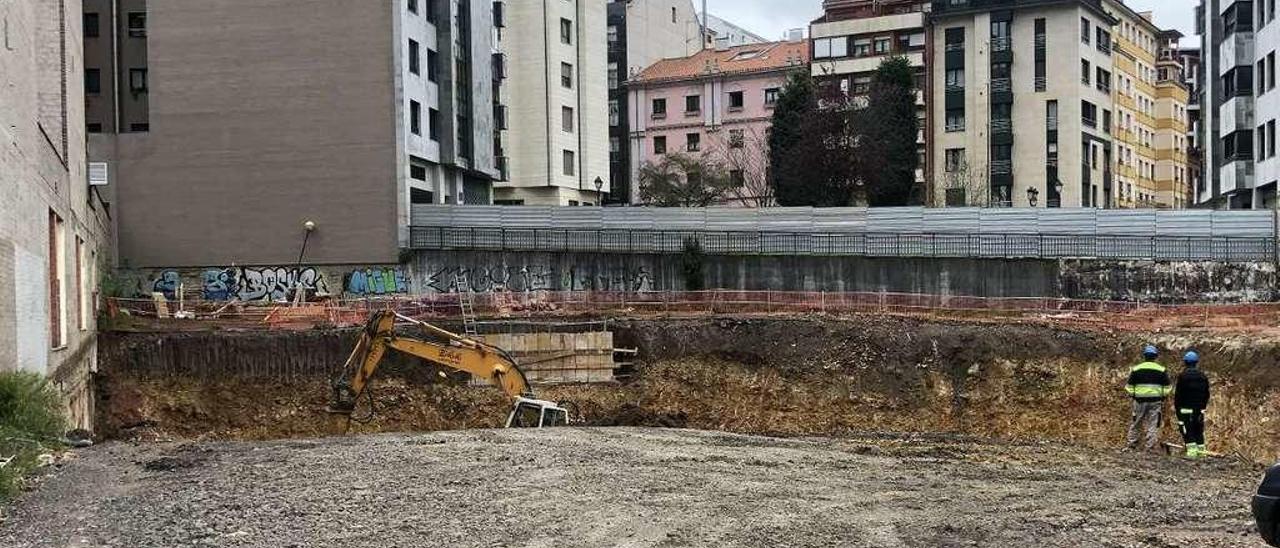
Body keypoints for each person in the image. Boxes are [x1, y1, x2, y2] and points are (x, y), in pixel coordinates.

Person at [1125, 345, 1171, 452]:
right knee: (1153, 424)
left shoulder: (1136, 369)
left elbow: (1129, 387)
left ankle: (1132, 444)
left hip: (1140, 401)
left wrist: (1135, 395)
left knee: (1136, 422)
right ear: (1155, 356)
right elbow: (1168, 387)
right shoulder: (1161, 369)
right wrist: (1162, 396)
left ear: (1144, 356)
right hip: (1155, 401)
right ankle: (1149, 447)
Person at [1174, 350, 1211, 458]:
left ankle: (1192, 454)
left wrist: (1178, 411)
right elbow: (1206, 394)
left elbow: (1178, 395)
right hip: (1199, 410)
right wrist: (1202, 408)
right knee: (1198, 431)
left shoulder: (1183, 376)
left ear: (1185, 362)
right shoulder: (1203, 376)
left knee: (1187, 430)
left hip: (1185, 410)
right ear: (1196, 362)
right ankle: (1201, 453)